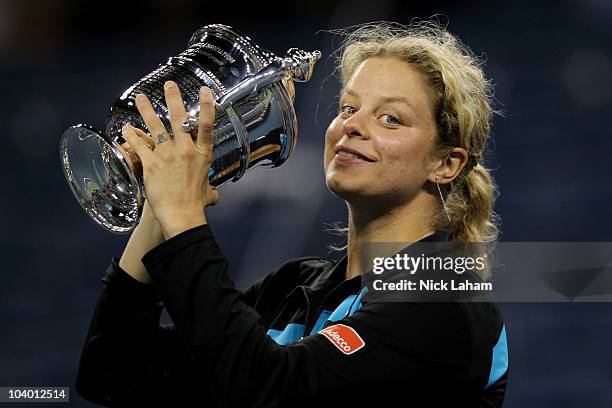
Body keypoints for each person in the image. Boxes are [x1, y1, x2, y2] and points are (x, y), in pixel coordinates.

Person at [75, 21, 508, 407]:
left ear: (446, 163)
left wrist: (184, 216)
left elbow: (270, 390)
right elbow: (112, 376)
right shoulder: (293, 288)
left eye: (391, 118)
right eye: (348, 108)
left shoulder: (446, 299)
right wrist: (160, 198)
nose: (352, 125)